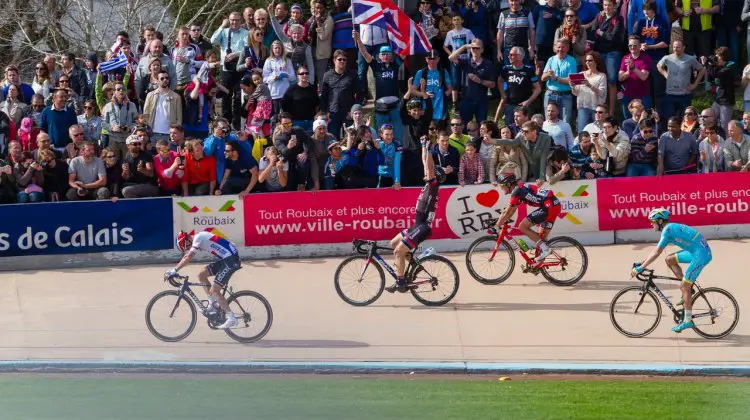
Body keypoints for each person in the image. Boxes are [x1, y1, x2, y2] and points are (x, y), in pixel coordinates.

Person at [631, 208, 713, 333]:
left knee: (685, 286)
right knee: (669, 260)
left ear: (659, 221)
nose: (651, 224)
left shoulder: (667, 230)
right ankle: (688, 290)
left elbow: (657, 252)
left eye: (652, 221)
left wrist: (641, 268)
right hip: (696, 251)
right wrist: (642, 263)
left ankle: (687, 320)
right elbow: (655, 251)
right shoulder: (669, 229)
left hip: (700, 255)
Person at [385, 137, 447, 294]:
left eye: (430, 174)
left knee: (398, 252)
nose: (426, 173)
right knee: (394, 243)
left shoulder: (433, 187)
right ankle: (415, 266)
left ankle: (401, 282)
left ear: (435, 177)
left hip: (423, 227)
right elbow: (425, 164)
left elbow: (430, 168)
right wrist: (423, 146)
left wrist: (431, 151)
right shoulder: (429, 184)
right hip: (417, 226)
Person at [167, 231, 242, 330]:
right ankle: (213, 304)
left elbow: (188, 256)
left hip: (230, 260)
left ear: (187, 240)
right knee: (201, 275)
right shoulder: (200, 237)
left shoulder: (198, 238)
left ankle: (231, 318)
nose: (188, 249)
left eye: (187, 247)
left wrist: (174, 270)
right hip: (227, 259)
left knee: (215, 291)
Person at [492, 172, 558, 260]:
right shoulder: (519, 188)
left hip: (549, 206)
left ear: (508, 184)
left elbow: (506, 213)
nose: (501, 188)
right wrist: (502, 221)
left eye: (502, 186)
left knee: (522, 226)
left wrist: (496, 226)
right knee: (541, 240)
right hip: (554, 205)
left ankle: (546, 250)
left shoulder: (516, 192)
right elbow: (511, 211)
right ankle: (538, 265)